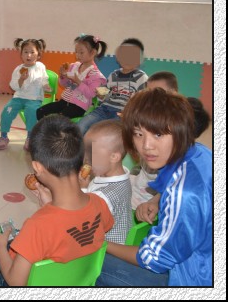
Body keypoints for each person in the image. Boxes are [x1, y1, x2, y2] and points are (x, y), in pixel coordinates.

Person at [0, 115, 114, 286]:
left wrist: (0, 247)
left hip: (24, 280)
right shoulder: (99, 203)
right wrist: (50, 206)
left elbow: (16, 282)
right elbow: (75, 231)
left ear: (37, 167)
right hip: (70, 280)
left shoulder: (37, 225)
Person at [96, 88, 212, 286]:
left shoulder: (182, 192)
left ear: (181, 129)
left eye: (158, 134)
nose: (146, 146)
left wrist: (101, 243)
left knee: (89, 261)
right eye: (138, 134)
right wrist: (157, 200)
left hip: (191, 278)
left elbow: (153, 260)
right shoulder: (200, 153)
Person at [76, 38, 148, 135]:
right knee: (81, 126)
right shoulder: (114, 75)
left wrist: (131, 112)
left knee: (108, 133)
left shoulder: (141, 77)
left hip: (123, 114)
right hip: (104, 109)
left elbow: (144, 102)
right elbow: (105, 94)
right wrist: (101, 95)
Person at [130, 72, 179, 209]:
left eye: (158, 93)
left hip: (151, 192)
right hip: (143, 175)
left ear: (173, 93)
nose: (151, 98)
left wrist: (155, 201)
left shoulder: (175, 128)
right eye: (148, 92)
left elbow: (174, 180)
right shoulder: (146, 116)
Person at [80, 120, 132, 244]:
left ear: (114, 157)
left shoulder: (104, 195)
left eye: (92, 153)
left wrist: (82, 189)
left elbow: (82, 221)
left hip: (105, 249)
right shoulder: (123, 175)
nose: (85, 158)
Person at [36, 34, 107, 121]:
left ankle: (54, 129)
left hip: (78, 107)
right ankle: (41, 129)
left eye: (81, 52)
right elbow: (65, 85)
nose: (78, 55)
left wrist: (78, 82)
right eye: (76, 52)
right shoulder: (74, 66)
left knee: (58, 119)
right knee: (40, 111)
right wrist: (63, 76)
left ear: (93, 53)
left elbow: (91, 94)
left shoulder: (96, 75)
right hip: (64, 102)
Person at [0, 38, 50, 151]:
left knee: (31, 112)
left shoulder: (40, 66)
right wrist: (21, 79)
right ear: (21, 54)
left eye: (32, 52)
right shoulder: (18, 69)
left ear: (38, 54)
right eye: (25, 52)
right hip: (19, 98)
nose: (28, 55)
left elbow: (44, 78)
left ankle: (30, 137)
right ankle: (3, 136)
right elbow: (14, 86)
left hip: (34, 99)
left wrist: (46, 85)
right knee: (7, 111)